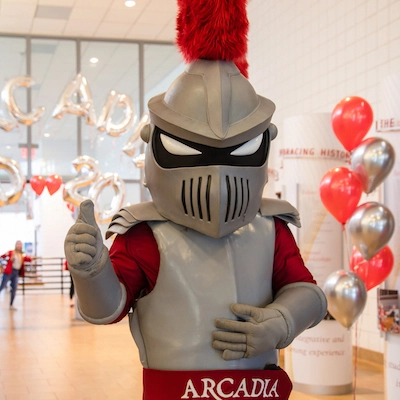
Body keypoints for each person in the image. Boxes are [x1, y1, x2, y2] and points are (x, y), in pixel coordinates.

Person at [64, 2, 327, 399]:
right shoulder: (145, 234)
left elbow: (306, 290)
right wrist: (92, 271)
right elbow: (109, 306)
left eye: (235, 151)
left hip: (257, 388)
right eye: (194, 150)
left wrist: (281, 320)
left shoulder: (268, 227)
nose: (217, 179)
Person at [0, 240, 34, 310]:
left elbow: (28, 259)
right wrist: (2, 265)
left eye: (20, 244)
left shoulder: (22, 255)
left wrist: (31, 258)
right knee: (2, 286)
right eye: (18, 244)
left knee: (14, 288)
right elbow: (2, 256)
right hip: (9, 272)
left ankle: (11, 304)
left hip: (16, 273)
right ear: (16, 245)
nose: (19, 246)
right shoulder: (11, 252)